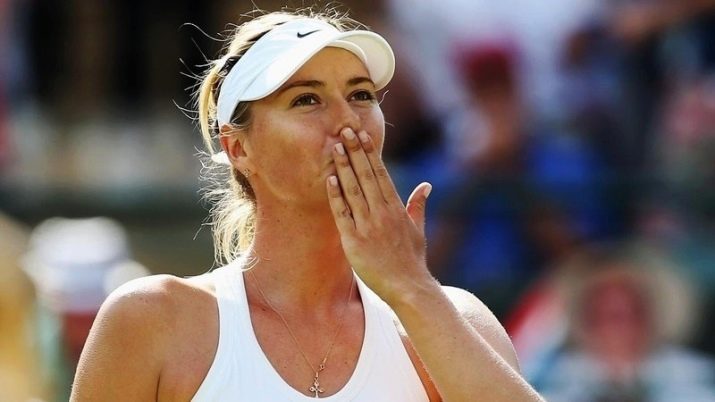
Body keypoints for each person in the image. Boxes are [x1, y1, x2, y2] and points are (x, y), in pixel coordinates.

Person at [70, 9, 543, 401]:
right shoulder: (151, 320)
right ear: (238, 147)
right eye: (306, 100)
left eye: (361, 94)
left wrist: (411, 286)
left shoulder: (454, 319)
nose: (348, 121)